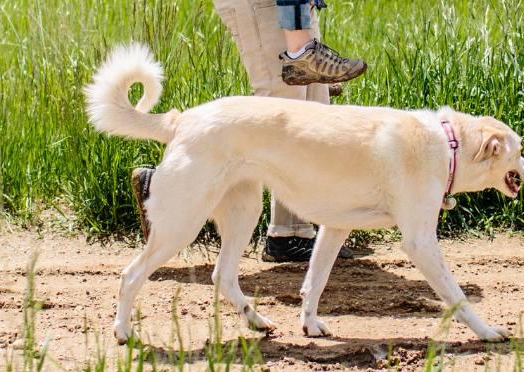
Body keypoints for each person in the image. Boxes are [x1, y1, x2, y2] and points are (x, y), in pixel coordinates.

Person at [129, 0, 367, 263]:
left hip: (293, 10)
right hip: (266, 6)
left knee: (313, 118)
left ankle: (291, 234)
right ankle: (163, 190)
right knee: (285, 119)